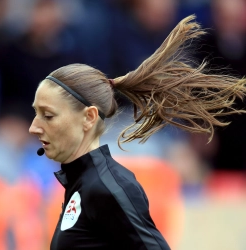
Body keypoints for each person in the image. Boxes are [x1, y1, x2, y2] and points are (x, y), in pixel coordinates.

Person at [29, 15, 246, 250]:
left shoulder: (108, 188)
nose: (34, 127)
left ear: (89, 117)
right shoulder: (82, 183)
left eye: (48, 115)